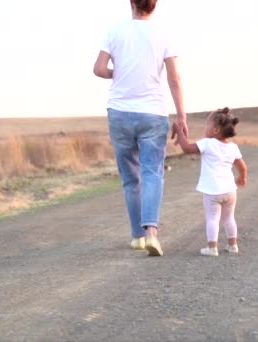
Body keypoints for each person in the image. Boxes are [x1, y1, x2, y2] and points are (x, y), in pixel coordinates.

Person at [93, 0, 188, 256]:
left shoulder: (114, 31)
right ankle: (152, 234)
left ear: (131, 3)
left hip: (120, 112)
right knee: (152, 173)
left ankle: (137, 237)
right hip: (153, 113)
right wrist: (181, 116)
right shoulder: (165, 34)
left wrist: (118, 73)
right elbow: (174, 78)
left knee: (130, 178)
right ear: (154, 6)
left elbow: (99, 69)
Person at [173, 107, 247, 256]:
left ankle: (212, 247)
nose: (204, 128)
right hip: (230, 191)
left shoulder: (207, 143)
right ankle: (233, 245)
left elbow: (187, 148)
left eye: (207, 125)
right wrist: (242, 177)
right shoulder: (233, 147)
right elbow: (242, 166)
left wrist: (180, 133)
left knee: (212, 218)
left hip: (212, 191)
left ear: (216, 130)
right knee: (229, 218)